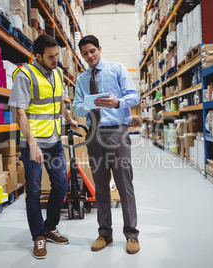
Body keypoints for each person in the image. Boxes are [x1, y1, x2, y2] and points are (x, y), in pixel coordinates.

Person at [9, 34, 78, 259]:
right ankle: (38, 236)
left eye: (57, 55)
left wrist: (68, 119)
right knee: (35, 191)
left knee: (60, 185)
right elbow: (20, 112)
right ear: (37, 56)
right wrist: (32, 145)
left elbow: (59, 101)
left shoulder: (58, 73)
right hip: (34, 143)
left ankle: (50, 227)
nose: (55, 59)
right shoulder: (25, 75)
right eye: (50, 56)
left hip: (54, 140)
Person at [73, 35, 140, 254]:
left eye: (92, 51)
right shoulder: (82, 79)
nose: (90, 56)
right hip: (93, 134)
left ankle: (131, 235)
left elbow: (134, 96)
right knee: (100, 187)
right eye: (85, 53)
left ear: (99, 49)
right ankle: (104, 233)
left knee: (123, 184)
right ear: (81, 55)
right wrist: (86, 105)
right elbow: (77, 108)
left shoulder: (117, 69)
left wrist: (117, 102)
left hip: (116, 131)